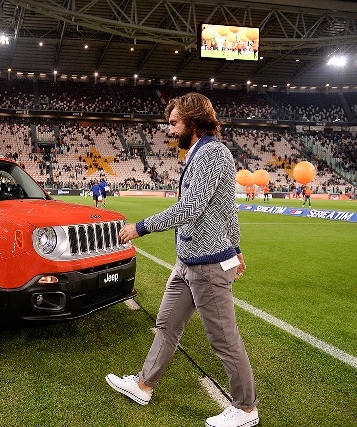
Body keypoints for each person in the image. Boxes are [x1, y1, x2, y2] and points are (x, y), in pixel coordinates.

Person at [105, 93, 258, 427]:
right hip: (188, 262)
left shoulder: (213, 152)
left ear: (193, 120)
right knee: (166, 324)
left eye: (174, 122)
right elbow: (226, 207)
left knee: (223, 338)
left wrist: (141, 228)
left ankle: (246, 409)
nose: (169, 128)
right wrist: (238, 247)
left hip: (207, 265)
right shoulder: (201, 153)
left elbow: (191, 209)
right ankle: (144, 385)